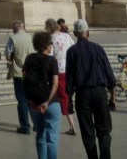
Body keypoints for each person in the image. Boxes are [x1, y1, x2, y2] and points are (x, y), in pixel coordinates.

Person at [65, 19, 116, 159]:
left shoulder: (71, 52)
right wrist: (113, 97)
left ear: (75, 33)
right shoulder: (98, 48)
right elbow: (110, 76)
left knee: (88, 132)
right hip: (99, 92)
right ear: (88, 32)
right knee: (104, 130)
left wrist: (69, 101)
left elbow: (69, 79)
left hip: (83, 95)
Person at [22, 31, 61, 159]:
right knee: (52, 139)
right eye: (50, 43)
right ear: (45, 45)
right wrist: (47, 102)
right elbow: (55, 85)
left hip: (34, 103)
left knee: (40, 135)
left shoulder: (29, 58)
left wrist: (30, 100)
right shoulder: (52, 60)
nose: (52, 46)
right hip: (51, 103)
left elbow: (25, 81)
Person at [45, 17, 77, 135]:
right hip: (68, 69)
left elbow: (49, 55)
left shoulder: (51, 39)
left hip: (58, 71)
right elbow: (73, 48)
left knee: (62, 96)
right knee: (64, 95)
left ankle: (72, 126)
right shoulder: (66, 36)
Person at [6, 20, 35, 134]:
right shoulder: (32, 38)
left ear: (15, 29)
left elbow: (8, 54)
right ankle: (37, 124)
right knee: (32, 99)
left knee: (22, 100)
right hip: (32, 73)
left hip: (19, 72)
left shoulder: (13, 38)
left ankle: (25, 126)